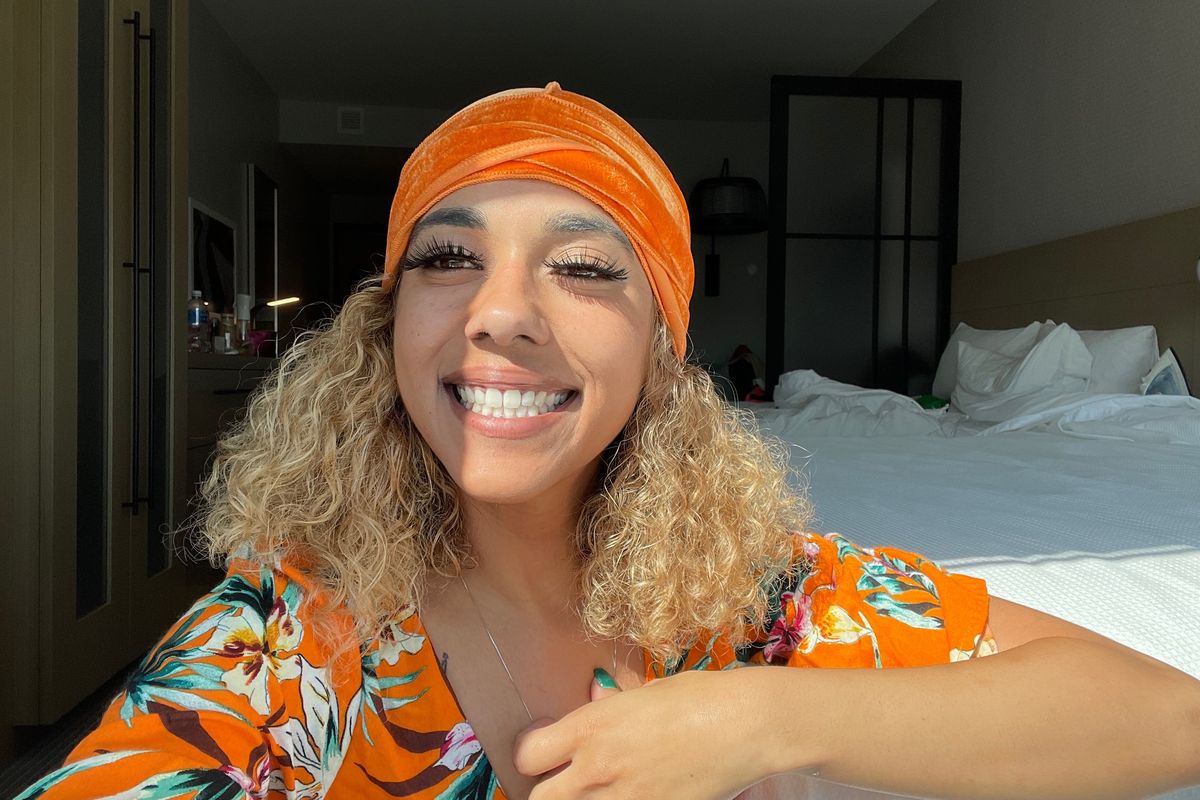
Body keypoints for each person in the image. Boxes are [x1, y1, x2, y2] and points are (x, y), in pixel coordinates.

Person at [19, 83, 1200, 800]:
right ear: (387, 329)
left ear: (661, 354)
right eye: (449, 257)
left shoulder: (757, 599)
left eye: (584, 267)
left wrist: (761, 717)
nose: (499, 310)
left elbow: (1167, 714)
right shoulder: (291, 628)